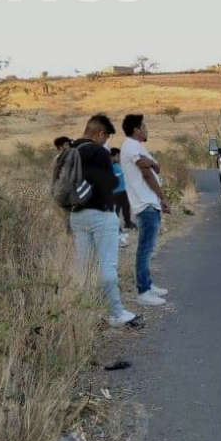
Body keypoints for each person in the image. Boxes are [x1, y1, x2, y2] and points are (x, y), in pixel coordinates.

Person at [67, 115, 137, 327]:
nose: (106, 141)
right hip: (100, 213)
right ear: (99, 134)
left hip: (76, 215)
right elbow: (109, 184)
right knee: (107, 265)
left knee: (85, 265)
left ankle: (89, 311)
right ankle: (115, 313)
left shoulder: (70, 151)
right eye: (106, 137)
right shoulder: (98, 151)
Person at [120, 114, 171, 307]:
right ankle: (143, 291)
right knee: (145, 250)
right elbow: (147, 172)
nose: (147, 129)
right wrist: (164, 198)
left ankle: (148, 285)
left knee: (148, 249)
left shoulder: (138, 147)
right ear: (136, 130)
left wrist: (150, 162)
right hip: (146, 204)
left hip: (150, 203)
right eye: (144, 126)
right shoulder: (131, 146)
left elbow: (156, 167)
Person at [110, 148, 136, 231]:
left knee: (126, 208)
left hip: (124, 190)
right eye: (117, 156)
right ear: (111, 157)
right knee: (116, 210)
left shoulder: (118, 165)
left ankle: (128, 223)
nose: (119, 158)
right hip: (116, 192)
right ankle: (116, 227)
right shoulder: (110, 167)